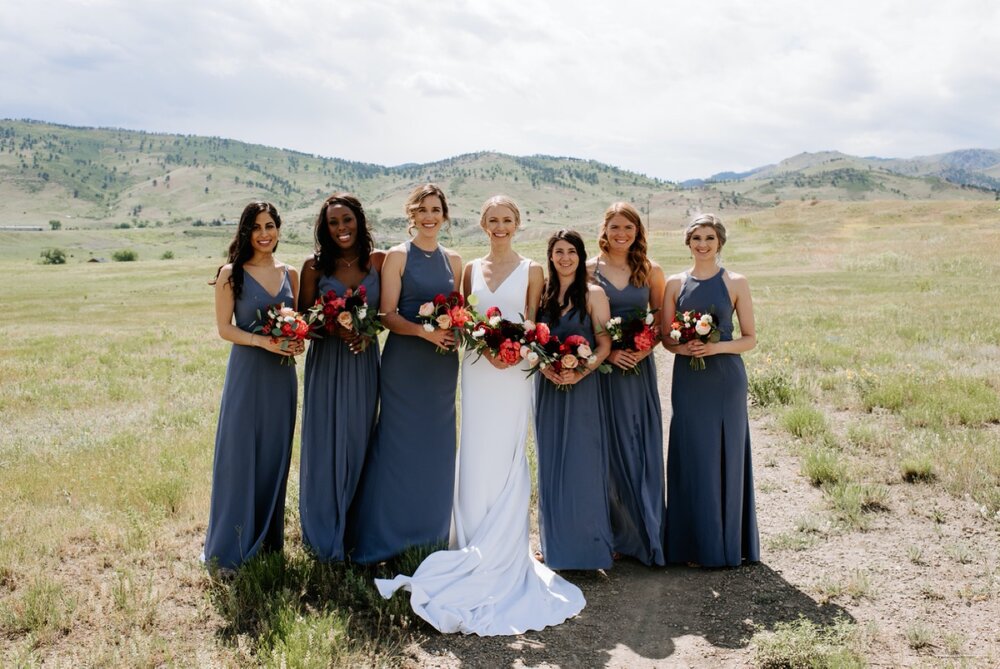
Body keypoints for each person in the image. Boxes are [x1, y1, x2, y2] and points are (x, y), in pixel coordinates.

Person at [376, 196, 585, 635]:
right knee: (473, 450)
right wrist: (483, 345)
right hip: (476, 371)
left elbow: (533, 324)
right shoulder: (468, 269)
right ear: (482, 224)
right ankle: (468, 540)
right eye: (493, 220)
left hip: (513, 373)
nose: (500, 226)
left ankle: (506, 548)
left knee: (506, 450)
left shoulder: (533, 270)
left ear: (518, 223)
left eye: (508, 219)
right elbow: (464, 319)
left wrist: (515, 353)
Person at [345, 184, 462, 564]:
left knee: (437, 448)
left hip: (441, 367)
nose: (429, 216)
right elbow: (387, 315)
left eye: (436, 209)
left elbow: (458, 312)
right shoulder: (398, 256)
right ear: (411, 215)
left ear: (444, 215)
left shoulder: (455, 261)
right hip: (405, 364)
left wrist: (457, 331)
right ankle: (385, 536)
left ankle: (430, 536)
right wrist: (424, 331)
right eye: (422, 210)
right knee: (397, 446)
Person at [203, 201, 301, 570]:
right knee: (240, 454)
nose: (265, 234)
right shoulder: (232, 273)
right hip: (247, 373)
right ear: (246, 232)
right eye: (257, 227)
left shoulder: (290, 273)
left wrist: (297, 340)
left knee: (275, 453)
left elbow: (298, 321)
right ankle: (232, 543)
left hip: (281, 375)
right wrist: (264, 341)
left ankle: (267, 542)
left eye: (270, 225)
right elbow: (225, 328)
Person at [662, 213, 760, 567]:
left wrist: (714, 347)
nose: (702, 245)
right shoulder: (675, 283)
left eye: (709, 238)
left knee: (725, 452)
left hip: (725, 379)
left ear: (719, 242)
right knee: (691, 452)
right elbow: (665, 338)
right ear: (687, 242)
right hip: (688, 377)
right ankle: (691, 545)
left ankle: (725, 544)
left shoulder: (735, 282)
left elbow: (750, 339)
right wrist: (683, 347)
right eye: (696, 238)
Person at [297, 193, 385, 562]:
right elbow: (303, 320)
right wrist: (334, 328)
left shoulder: (378, 261)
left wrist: (367, 331)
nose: (341, 228)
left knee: (358, 439)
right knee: (324, 442)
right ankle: (322, 532)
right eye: (333, 223)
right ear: (324, 227)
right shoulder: (314, 267)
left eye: (346, 220)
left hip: (364, 361)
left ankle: (355, 530)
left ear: (359, 220)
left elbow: (388, 310)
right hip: (328, 362)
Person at [588, 202, 667, 566]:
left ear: (638, 232)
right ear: (604, 229)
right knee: (605, 448)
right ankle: (611, 533)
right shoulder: (588, 269)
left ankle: (645, 531)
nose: (622, 235)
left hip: (637, 370)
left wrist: (640, 349)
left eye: (629, 229)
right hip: (604, 372)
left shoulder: (650, 271)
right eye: (616, 227)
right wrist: (608, 353)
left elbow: (660, 326)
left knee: (638, 444)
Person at [534, 229, 614, 570]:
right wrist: (544, 366)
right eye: (558, 252)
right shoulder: (542, 295)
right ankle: (554, 547)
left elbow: (604, 345)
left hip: (583, 388)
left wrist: (581, 371)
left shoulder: (594, 294)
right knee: (551, 463)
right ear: (550, 257)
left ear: (581, 256)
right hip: (548, 387)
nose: (565, 258)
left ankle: (590, 548)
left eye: (571, 251)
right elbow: (531, 339)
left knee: (583, 463)